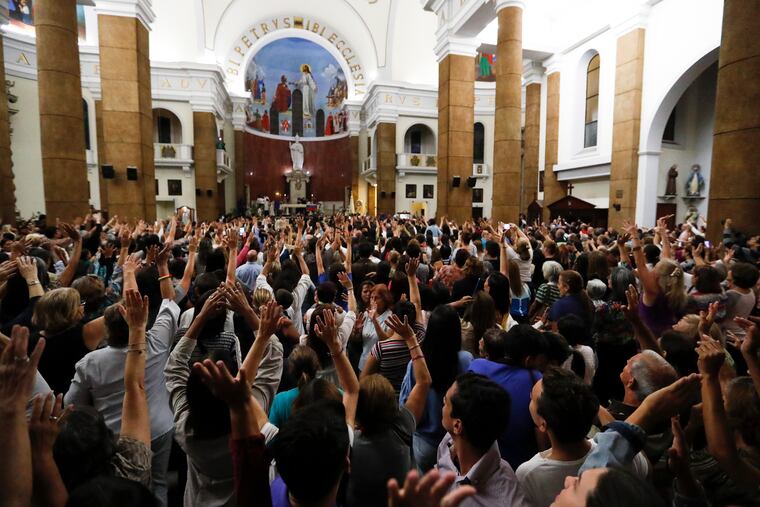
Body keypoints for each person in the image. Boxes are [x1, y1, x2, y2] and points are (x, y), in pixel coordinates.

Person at [65, 247, 179, 506]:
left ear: (106, 330)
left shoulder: (90, 362)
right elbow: (170, 303)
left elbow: (73, 404)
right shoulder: (157, 341)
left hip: (115, 433)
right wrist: (162, 268)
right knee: (159, 482)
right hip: (160, 425)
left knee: (122, 490)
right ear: (142, 320)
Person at [516, 367, 648, 507]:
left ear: (543, 424)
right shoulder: (624, 452)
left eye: (532, 398)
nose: (570, 481)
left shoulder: (528, 474)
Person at [437, 372, 530, 506]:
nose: (443, 406)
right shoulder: (448, 442)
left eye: (445, 402)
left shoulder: (508, 500)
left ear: (457, 425)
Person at [400, 304, 473, 471]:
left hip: (425, 443)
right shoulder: (466, 360)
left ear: (430, 330)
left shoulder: (416, 366)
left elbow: (405, 404)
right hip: (456, 443)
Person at [469, 326, 542, 469]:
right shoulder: (536, 380)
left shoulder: (477, 367)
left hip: (480, 462)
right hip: (521, 465)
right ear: (528, 360)